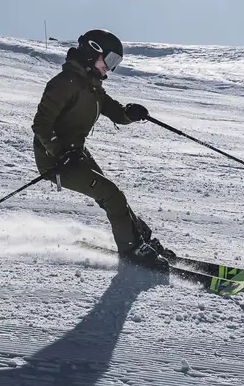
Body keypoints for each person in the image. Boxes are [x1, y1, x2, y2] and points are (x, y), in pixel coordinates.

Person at [32, 29, 170, 271]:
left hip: (76, 154)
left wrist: (131, 113)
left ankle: (142, 240)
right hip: (56, 161)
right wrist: (59, 152)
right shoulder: (64, 83)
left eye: (115, 63)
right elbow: (41, 124)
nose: (110, 68)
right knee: (111, 194)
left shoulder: (92, 86)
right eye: (109, 60)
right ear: (92, 52)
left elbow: (115, 111)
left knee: (114, 196)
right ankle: (131, 250)